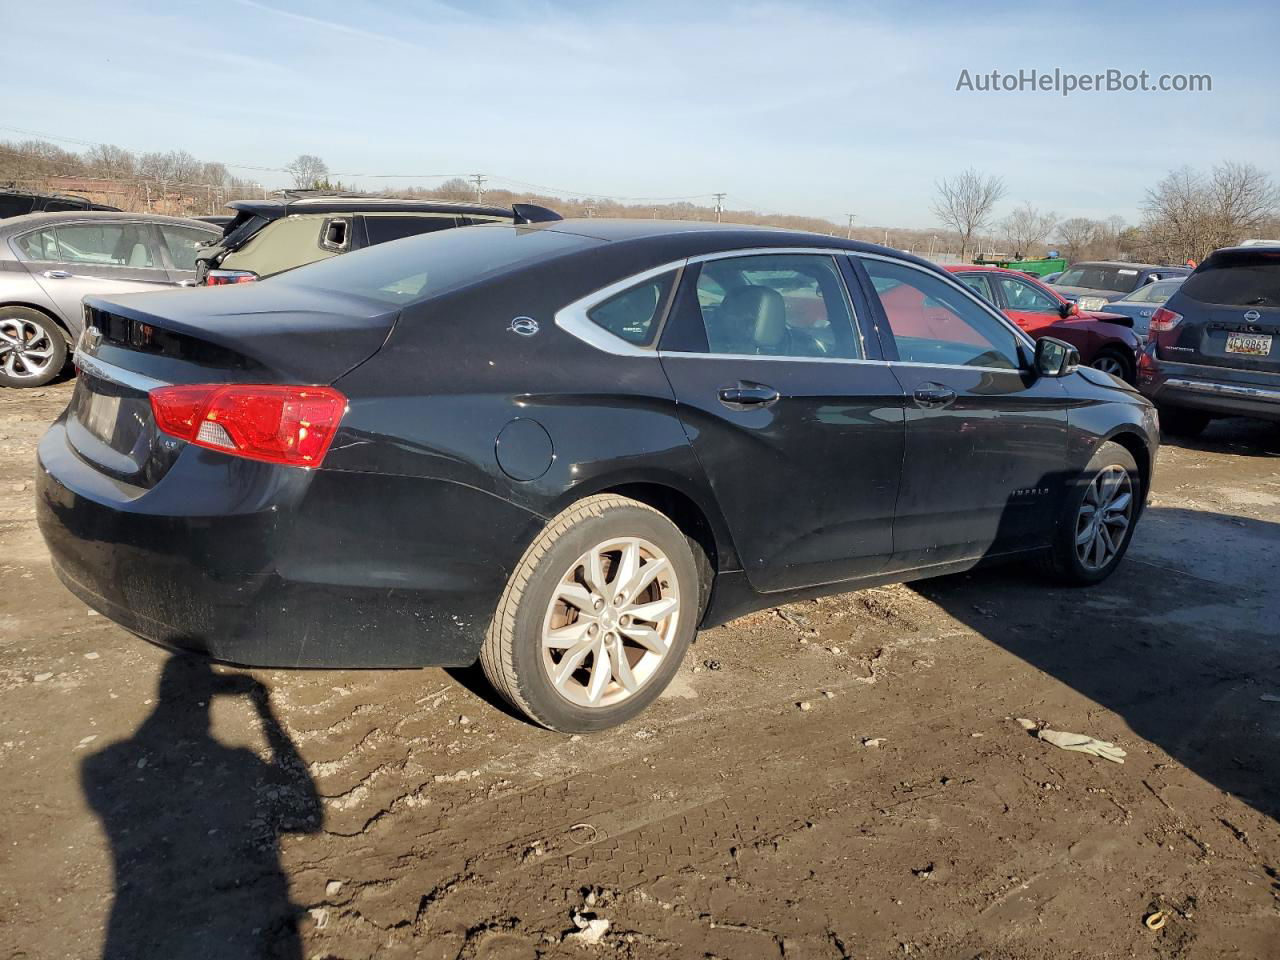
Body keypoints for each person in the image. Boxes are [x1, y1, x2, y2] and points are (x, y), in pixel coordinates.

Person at [82, 656, 321, 959]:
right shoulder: (241, 764)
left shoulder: (103, 767)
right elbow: (309, 816)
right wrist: (263, 708)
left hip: (154, 931)